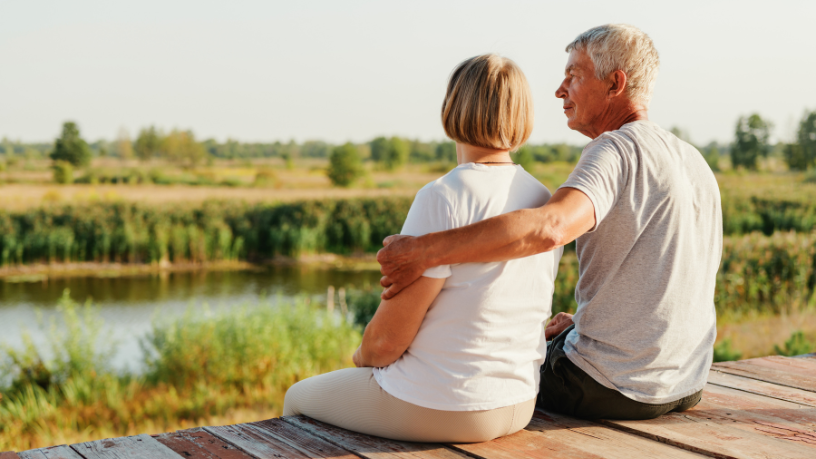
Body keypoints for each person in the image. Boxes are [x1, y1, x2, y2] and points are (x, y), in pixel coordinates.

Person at [377, 24, 723, 421]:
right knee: (550, 334)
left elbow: (550, 228)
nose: (560, 90)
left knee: (486, 375)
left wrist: (424, 250)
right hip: (687, 383)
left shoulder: (614, 149)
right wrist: (595, 323)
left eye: (573, 76)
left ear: (615, 84)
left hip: (608, 387)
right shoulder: (692, 159)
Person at [283, 54, 563, 443]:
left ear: (452, 108)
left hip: (447, 405)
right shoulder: (542, 196)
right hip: (518, 402)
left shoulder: (443, 196)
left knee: (296, 398)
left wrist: (362, 358)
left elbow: (384, 344)